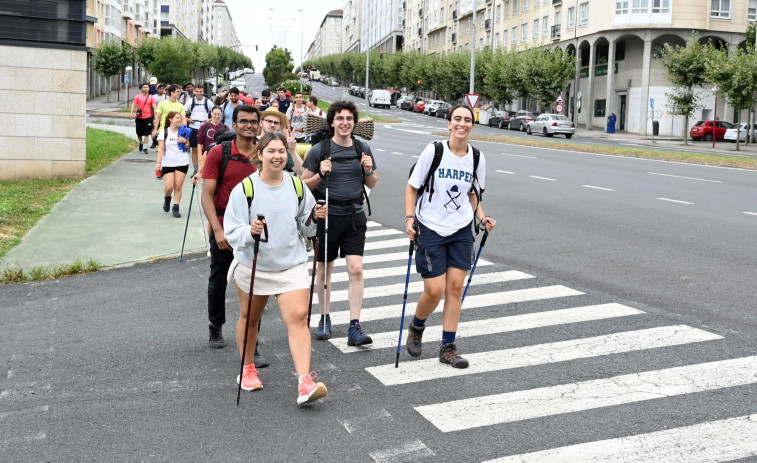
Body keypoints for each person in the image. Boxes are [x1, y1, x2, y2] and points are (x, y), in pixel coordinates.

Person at [224, 132, 328, 405]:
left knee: (298, 318)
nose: (277, 156)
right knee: (250, 318)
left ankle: (305, 381)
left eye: (281, 150)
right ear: (260, 154)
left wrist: (314, 216)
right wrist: (250, 231)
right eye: (271, 150)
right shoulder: (245, 189)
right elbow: (231, 231)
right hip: (254, 264)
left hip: (289, 264)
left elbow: (305, 226)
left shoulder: (296, 186)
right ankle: (247, 369)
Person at [403, 104, 496, 369]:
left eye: (467, 120)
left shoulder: (477, 158)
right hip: (431, 226)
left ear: (472, 126)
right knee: (434, 290)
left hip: (460, 229)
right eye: (457, 119)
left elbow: (472, 194)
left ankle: (448, 347)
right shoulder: (434, 151)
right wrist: (410, 218)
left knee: (455, 288)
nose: (462, 124)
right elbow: (412, 188)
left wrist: (482, 217)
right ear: (449, 124)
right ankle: (417, 326)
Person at [301, 100, 378, 345]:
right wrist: (320, 174)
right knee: (324, 269)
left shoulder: (361, 148)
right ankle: (324, 318)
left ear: (354, 123)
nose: (345, 123)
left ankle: (354, 326)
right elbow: (303, 186)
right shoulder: (319, 150)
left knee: (356, 269)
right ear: (332, 122)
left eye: (349, 119)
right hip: (327, 216)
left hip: (355, 215)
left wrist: (367, 169)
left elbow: (372, 183)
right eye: (340, 118)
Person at [201, 105, 269, 369]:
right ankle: (215, 326)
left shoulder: (263, 154)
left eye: (254, 122)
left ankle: (253, 344)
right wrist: (217, 230)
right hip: (225, 228)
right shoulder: (220, 152)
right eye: (244, 121)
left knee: (255, 284)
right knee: (218, 279)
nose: (249, 126)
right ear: (235, 123)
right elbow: (207, 194)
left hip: (255, 230)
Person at [155, 111, 190, 218]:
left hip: (182, 161)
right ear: (170, 119)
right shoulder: (164, 132)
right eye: (177, 118)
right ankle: (167, 198)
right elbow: (161, 149)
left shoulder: (183, 131)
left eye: (180, 118)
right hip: (168, 162)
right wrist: (158, 163)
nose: (179, 120)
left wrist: (185, 141)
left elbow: (188, 146)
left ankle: (176, 207)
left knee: (178, 186)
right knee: (169, 187)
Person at [259, 109, 303, 175]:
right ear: (261, 123)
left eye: (276, 123)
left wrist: (292, 150)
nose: (272, 125)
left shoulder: (282, 145)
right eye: (269, 121)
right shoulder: (252, 142)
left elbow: (301, 171)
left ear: (280, 127)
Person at [194, 106, 228, 183]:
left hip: (220, 158)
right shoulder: (204, 126)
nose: (217, 116)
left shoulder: (225, 128)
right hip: (206, 156)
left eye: (219, 114)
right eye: (215, 114)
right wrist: (200, 157)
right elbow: (200, 143)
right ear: (211, 114)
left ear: (221, 114)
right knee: (205, 177)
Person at [184, 85, 212, 176]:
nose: (199, 93)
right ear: (195, 91)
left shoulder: (208, 102)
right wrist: (188, 120)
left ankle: (204, 169)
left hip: (205, 128)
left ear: (203, 91)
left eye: (201, 91)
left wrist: (209, 120)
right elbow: (182, 113)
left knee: (206, 150)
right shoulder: (190, 101)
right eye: (197, 91)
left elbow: (216, 113)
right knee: (194, 149)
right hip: (193, 127)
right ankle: (196, 169)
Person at [130, 82, 156, 154]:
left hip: (148, 117)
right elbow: (133, 105)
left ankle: (145, 147)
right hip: (139, 117)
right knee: (139, 133)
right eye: (144, 87)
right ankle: (141, 142)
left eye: (147, 87)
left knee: (147, 133)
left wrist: (156, 116)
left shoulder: (151, 97)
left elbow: (154, 107)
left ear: (149, 88)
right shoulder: (137, 97)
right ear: (141, 88)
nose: (145, 88)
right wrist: (131, 113)